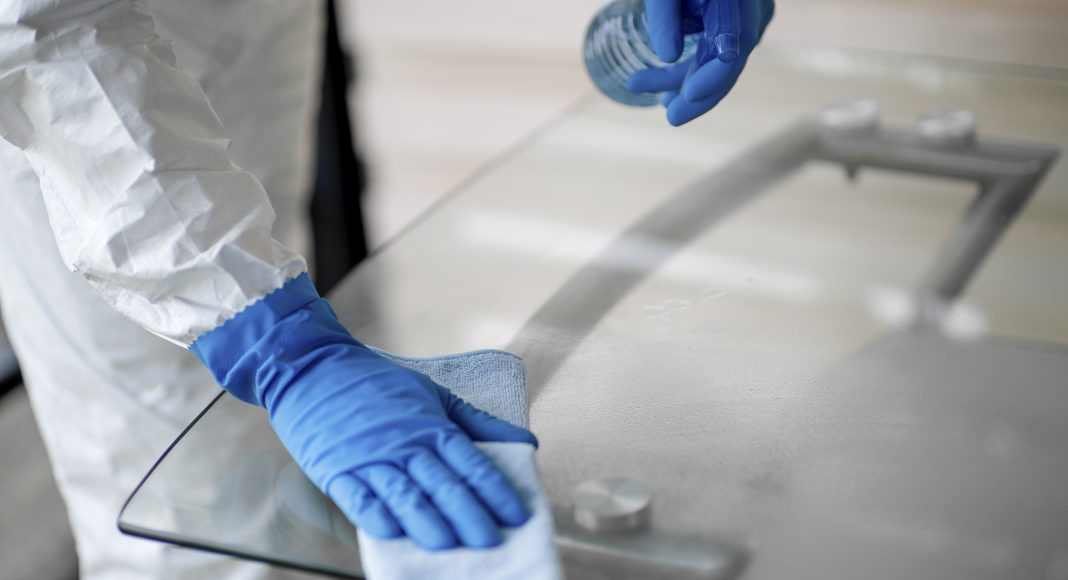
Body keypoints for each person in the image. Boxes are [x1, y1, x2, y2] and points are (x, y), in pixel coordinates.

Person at [0, 0, 771, 578]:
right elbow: (41, 35)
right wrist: (283, 348)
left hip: (251, 20)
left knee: (276, 446)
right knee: (184, 515)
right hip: (78, 81)